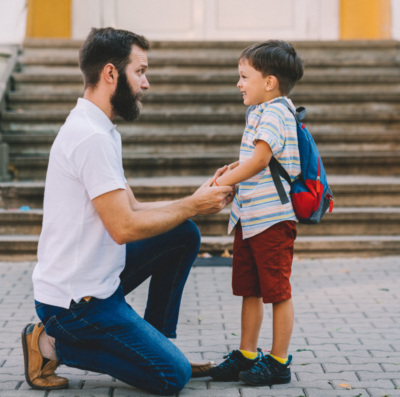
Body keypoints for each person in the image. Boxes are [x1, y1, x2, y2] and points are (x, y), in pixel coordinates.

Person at [21, 27, 234, 396]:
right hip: (74, 307)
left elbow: (132, 208)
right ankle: (49, 344)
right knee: (171, 377)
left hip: (97, 280)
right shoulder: (91, 138)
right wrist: (193, 205)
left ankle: (157, 342)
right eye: (140, 71)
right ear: (110, 74)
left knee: (182, 233)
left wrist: (195, 201)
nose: (146, 83)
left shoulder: (101, 129)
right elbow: (124, 227)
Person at [207, 40, 304, 386]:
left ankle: (278, 362)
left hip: (273, 220)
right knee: (250, 288)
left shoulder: (278, 110)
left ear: (270, 82)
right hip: (249, 218)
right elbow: (257, 158)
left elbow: (262, 160)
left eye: (244, 76)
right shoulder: (259, 111)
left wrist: (221, 186)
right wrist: (232, 169)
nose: (239, 83)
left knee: (277, 291)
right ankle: (247, 354)